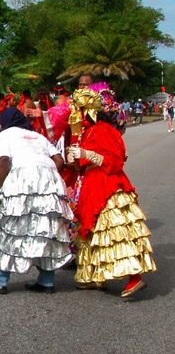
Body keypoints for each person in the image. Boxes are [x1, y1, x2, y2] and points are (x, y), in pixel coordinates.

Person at [67, 88, 157, 298]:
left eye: (77, 109)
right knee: (92, 233)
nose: (74, 114)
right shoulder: (84, 132)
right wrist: (75, 159)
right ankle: (94, 277)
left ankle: (134, 277)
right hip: (90, 184)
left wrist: (86, 154)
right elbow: (82, 164)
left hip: (107, 185)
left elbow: (115, 160)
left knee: (116, 234)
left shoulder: (104, 129)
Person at [0, 108, 73, 294]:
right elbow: (59, 159)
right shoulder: (37, 136)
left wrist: (0, 187)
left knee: (11, 227)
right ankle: (46, 282)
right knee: (47, 229)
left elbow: (3, 161)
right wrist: (47, 178)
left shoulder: (4, 135)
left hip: (23, 176)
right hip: (49, 178)